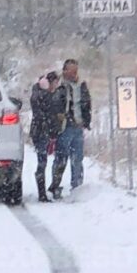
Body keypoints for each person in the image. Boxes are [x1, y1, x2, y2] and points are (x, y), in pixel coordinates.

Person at [49, 59, 92, 200]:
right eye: (71, 70)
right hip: (64, 127)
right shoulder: (59, 85)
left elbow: (86, 104)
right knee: (61, 159)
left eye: (75, 71)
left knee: (77, 159)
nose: (74, 73)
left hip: (78, 126)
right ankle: (55, 187)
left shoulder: (82, 85)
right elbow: (53, 105)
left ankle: (77, 188)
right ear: (65, 70)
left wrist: (86, 121)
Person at [30, 71, 60, 202]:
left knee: (42, 162)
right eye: (55, 83)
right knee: (42, 162)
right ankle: (42, 194)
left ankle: (42, 192)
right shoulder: (44, 95)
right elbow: (46, 115)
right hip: (41, 132)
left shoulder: (38, 92)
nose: (56, 86)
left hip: (41, 132)